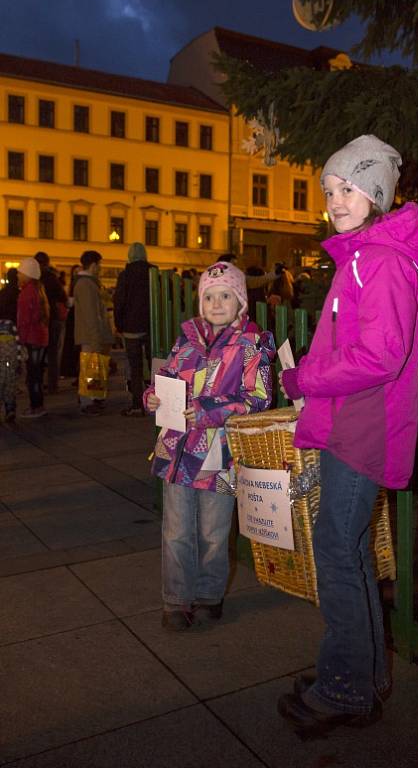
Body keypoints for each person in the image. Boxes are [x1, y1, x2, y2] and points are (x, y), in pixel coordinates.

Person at [277, 135, 418, 737]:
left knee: (338, 556)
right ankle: (360, 678)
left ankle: (346, 688)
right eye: (328, 189)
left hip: (362, 429)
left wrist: (302, 377)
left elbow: (378, 356)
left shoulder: (384, 261)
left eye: (347, 188)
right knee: (346, 553)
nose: (334, 199)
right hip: (352, 422)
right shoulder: (363, 256)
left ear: (375, 194)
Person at [143, 261, 276, 632]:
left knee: (214, 533)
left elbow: (259, 398)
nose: (217, 304)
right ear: (201, 303)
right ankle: (175, 600)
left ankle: (208, 595)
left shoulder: (251, 346)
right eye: (210, 297)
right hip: (177, 452)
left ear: (241, 302)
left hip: (219, 455)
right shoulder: (185, 340)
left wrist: (207, 411)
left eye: (226, 296)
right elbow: (166, 376)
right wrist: (152, 395)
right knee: (175, 530)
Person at [114, 243, 154, 416]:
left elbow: (119, 302)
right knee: (155, 365)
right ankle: (158, 401)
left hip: (131, 328)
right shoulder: (154, 273)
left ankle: (137, 404)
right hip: (152, 326)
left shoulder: (125, 275)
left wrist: (119, 325)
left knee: (135, 368)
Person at [74, 250, 114, 415]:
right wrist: (96, 338)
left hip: (95, 334)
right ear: (93, 265)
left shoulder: (91, 283)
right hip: (91, 335)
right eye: (99, 264)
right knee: (89, 368)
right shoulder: (85, 285)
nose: (100, 268)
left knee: (95, 368)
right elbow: (91, 315)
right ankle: (88, 401)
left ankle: (95, 398)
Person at [17, 257, 50, 419]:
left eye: (20, 272)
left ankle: (36, 406)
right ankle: (39, 405)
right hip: (41, 337)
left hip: (31, 338)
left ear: (27, 274)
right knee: (37, 373)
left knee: (33, 375)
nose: (18, 275)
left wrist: (21, 341)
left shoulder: (26, 292)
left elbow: (24, 320)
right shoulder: (39, 289)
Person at [34, 252, 68, 394]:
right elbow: (63, 296)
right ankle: (52, 385)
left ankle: (38, 383)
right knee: (53, 353)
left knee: (39, 353)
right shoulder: (52, 278)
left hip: (39, 319)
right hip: (53, 318)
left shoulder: (34, 278)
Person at [0, 270, 22, 423]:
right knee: (10, 377)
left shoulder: (1, 293)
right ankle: (10, 408)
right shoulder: (19, 294)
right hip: (12, 344)